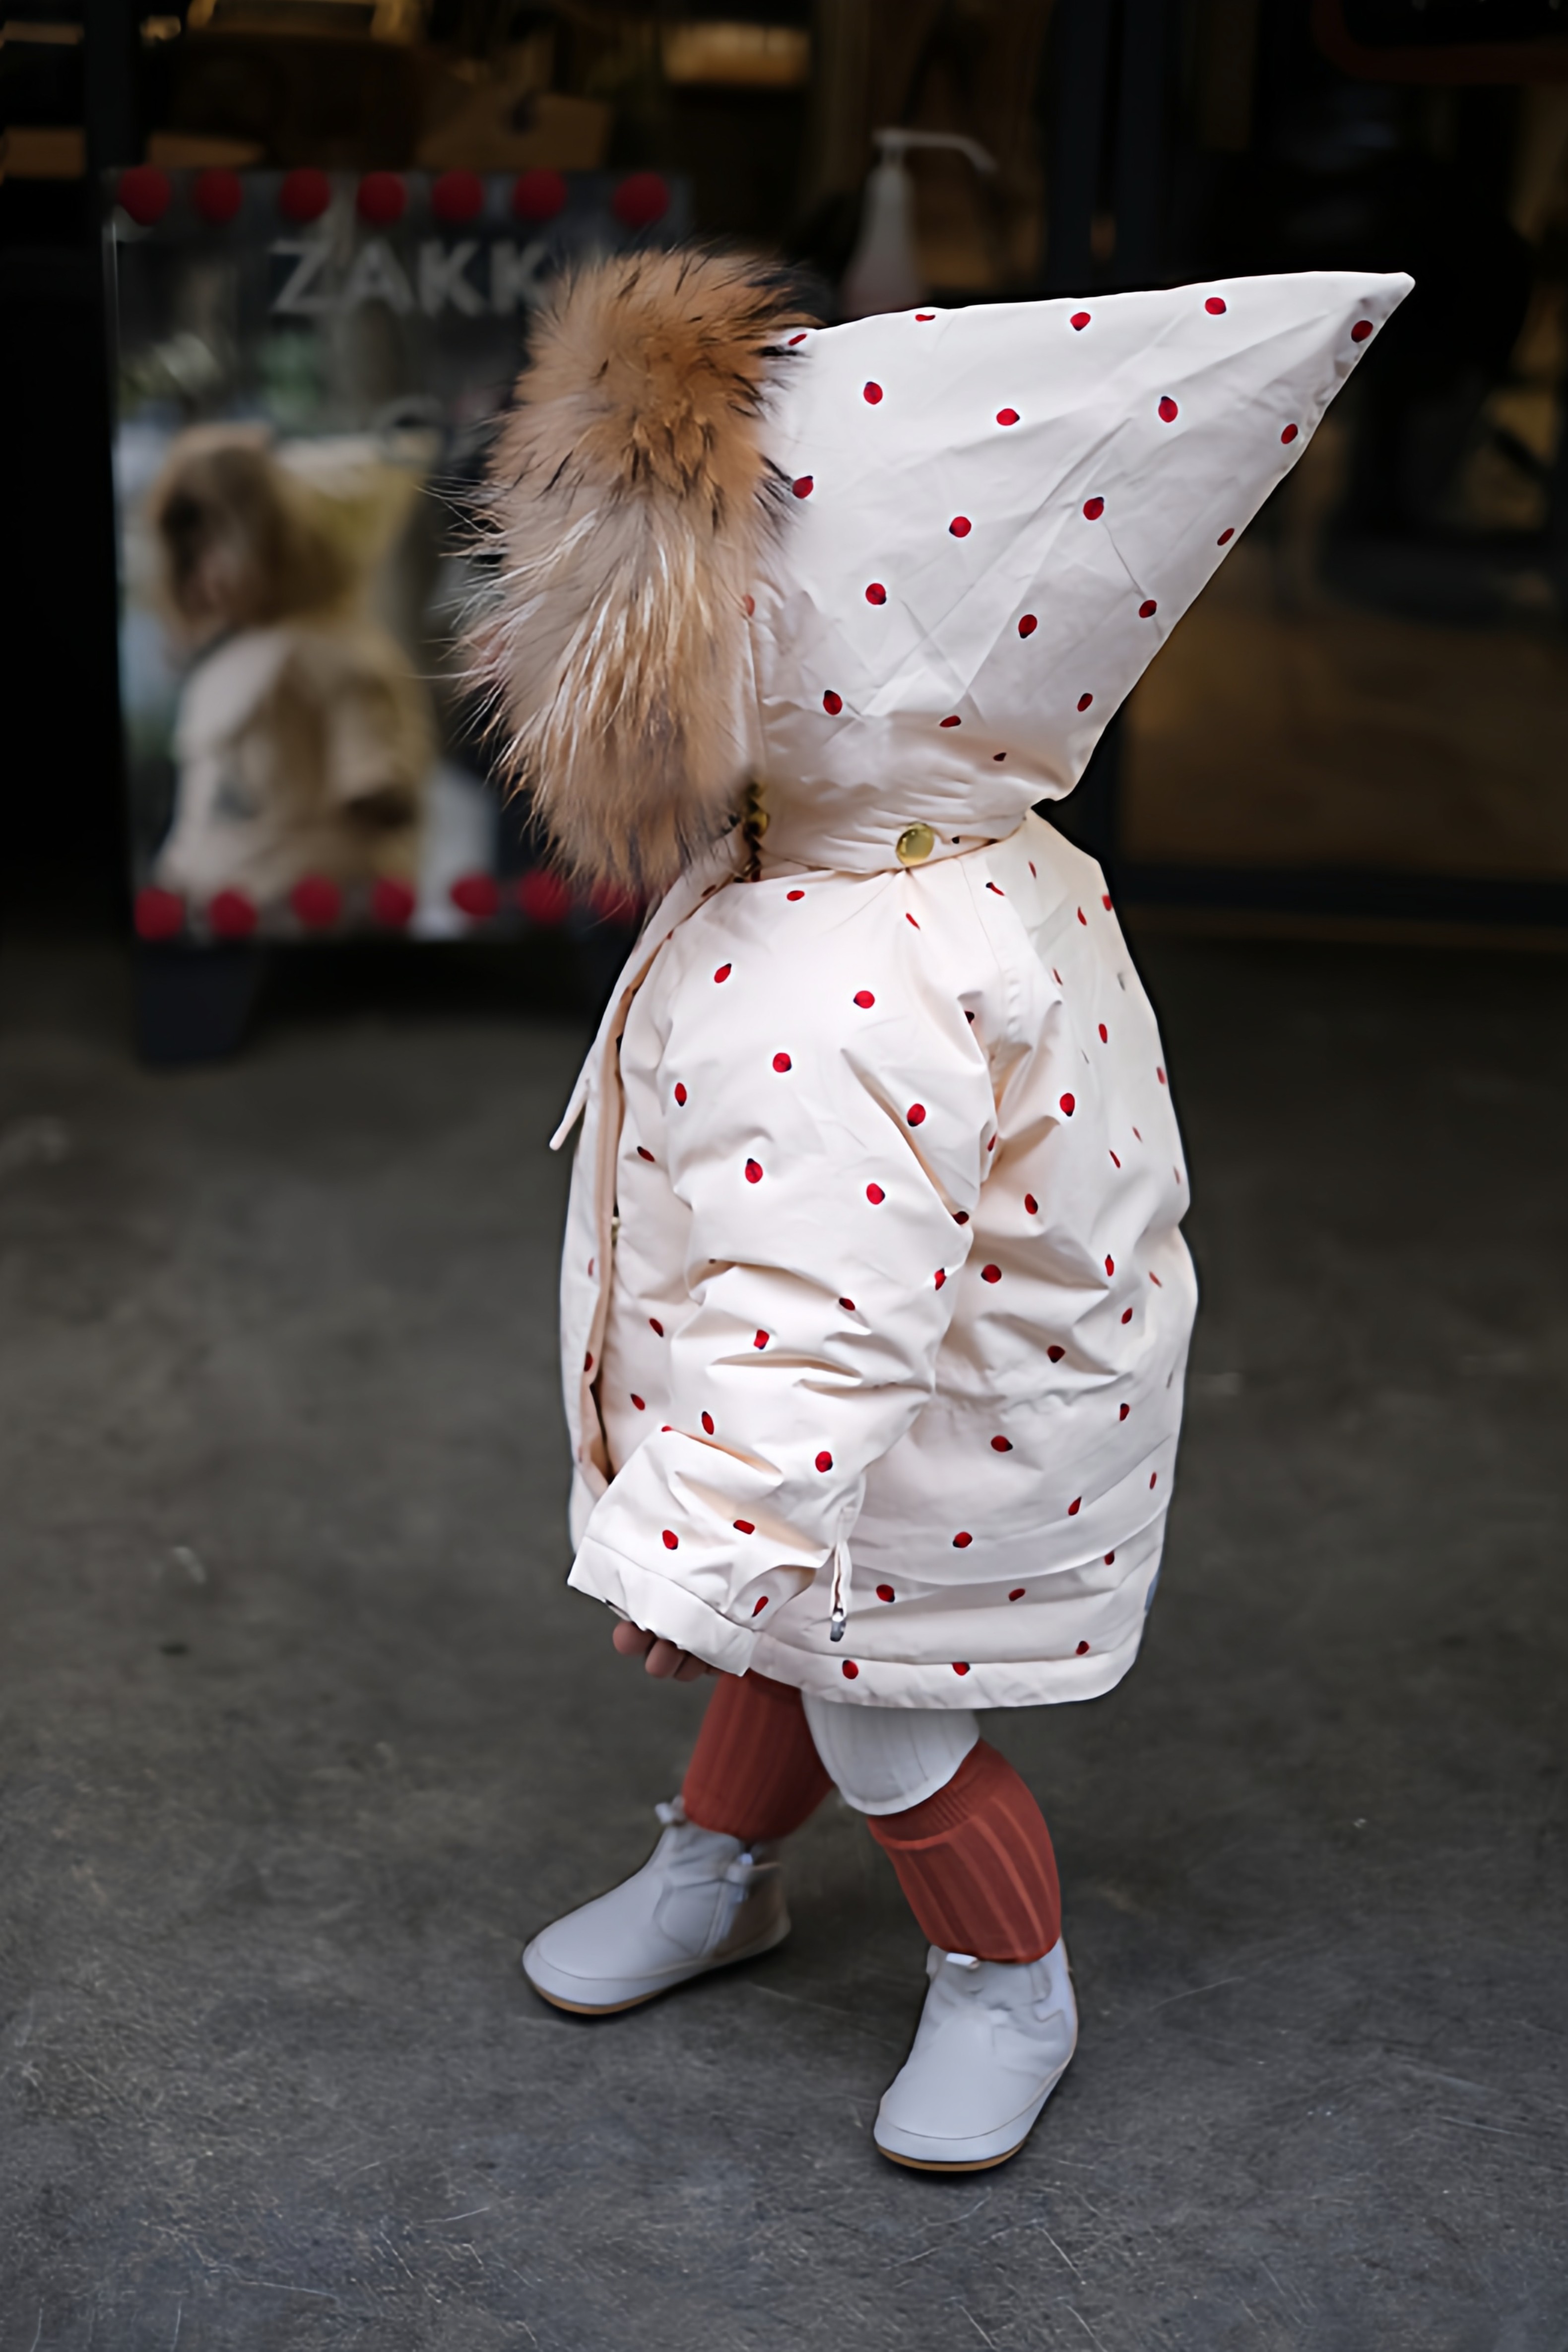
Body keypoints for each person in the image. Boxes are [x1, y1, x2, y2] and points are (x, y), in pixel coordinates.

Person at [475, 250, 1410, 2170]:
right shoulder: (947, 853)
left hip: (894, 1432)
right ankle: (721, 1866)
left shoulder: (841, 959)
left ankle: (1009, 1982)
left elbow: (827, 1306)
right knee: (806, 1653)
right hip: (919, 1412)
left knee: (884, 1717)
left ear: (807, 641)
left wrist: (702, 1539)